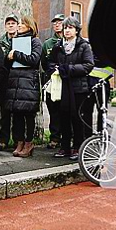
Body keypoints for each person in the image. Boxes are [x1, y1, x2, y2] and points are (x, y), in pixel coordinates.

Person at [45, 17, 94, 160]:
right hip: (62, 87)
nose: (67, 30)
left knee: (77, 117)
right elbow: (50, 62)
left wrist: (69, 69)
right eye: (65, 28)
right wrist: (55, 69)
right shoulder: (58, 46)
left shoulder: (84, 46)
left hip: (79, 88)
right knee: (63, 117)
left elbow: (88, 65)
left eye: (70, 28)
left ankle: (78, 147)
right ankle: (65, 147)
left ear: (77, 30)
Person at [5, 15, 42, 158]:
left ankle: (28, 143)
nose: (19, 26)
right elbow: (8, 63)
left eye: (22, 24)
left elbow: (34, 60)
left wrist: (17, 54)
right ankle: (19, 142)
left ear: (29, 26)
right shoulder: (14, 41)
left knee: (29, 115)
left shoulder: (35, 41)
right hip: (15, 84)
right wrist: (8, 57)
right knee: (17, 115)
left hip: (28, 84)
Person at [41, 13, 65, 149]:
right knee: (53, 111)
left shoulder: (70, 40)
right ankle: (55, 138)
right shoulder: (48, 43)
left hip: (67, 81)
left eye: (59, 22)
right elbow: (44, 63)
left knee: (67, 111)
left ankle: (68, 137)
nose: (56, 24)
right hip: (53, 82)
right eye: (54, 22)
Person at [0, 14, 18, 150]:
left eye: (13, 23)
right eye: (8, 23)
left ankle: (17, 140)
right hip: (4, 80)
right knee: (4, 112)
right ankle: (3, 140)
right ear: (5, 26)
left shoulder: (22, 39)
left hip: (18, 79)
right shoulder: (0, 42)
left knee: (17, 112)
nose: (10, 25)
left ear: (17, 25)